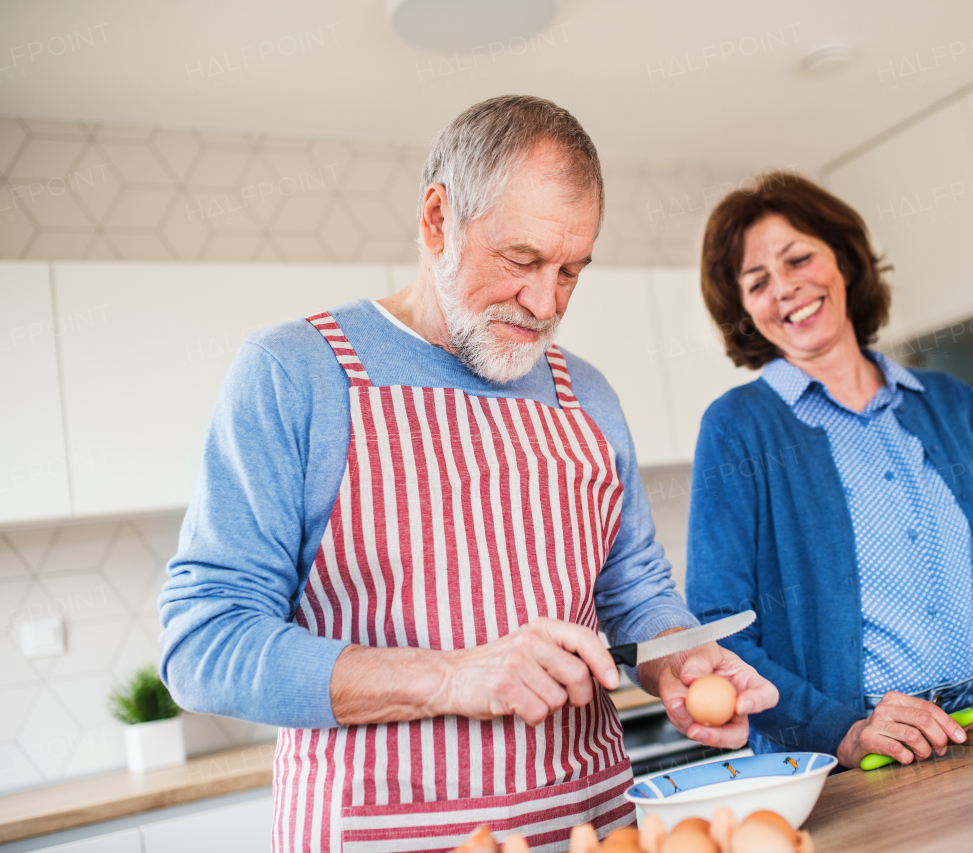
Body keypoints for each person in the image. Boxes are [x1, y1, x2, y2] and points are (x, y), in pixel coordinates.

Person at [159, 96, 777, 853]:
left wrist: (678, 655)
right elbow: (203, 643)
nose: (546, 302)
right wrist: (450, 675)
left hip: (592, 829)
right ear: (436, 219)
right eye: (521, 261)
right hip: (381, 836)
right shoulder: (297, 373)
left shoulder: (587, 394)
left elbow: (634, 590)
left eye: (571, 271)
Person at [684, 172, 973, 770]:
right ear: (746, 313)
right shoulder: (739, 426)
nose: (784, 288)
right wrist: (845, 733)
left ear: (844, 260)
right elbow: (719, 629)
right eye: (757, 283)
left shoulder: (947, 403)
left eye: (798, 258)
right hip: (860, 750)